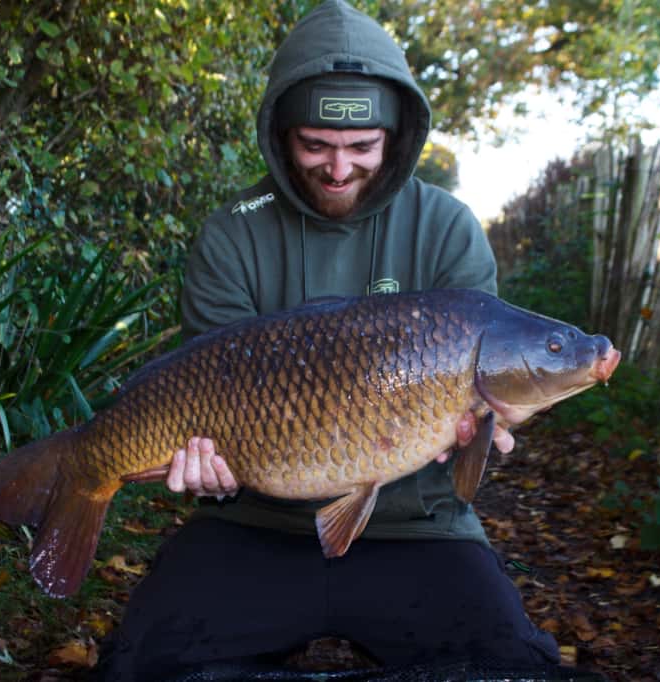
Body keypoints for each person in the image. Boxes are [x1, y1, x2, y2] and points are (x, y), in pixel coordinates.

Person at [98, 1, 559, 678]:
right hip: (251, 525)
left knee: (510, 667)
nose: (338, 168)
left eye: (362, 147)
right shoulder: (234, 234)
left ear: (396, 137)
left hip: (418, 528)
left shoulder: (448, 228)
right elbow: (203, 387)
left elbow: (494, 395)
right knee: (140, 668)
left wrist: (488, 431)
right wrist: (205, 473)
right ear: (281, 134)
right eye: (316, 145)